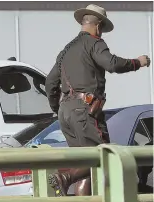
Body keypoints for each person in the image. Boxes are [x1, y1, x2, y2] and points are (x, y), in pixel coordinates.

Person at [45, 4, 151, 197]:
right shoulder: (94, 43)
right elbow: (111, 63)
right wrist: (138, 62)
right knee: (102, 156)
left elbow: (50, 82)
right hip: (85, 110)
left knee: (84, 164)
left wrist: (57, 107)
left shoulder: (65, 51)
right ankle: (64, 177)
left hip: (65, 112)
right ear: (99, 26)